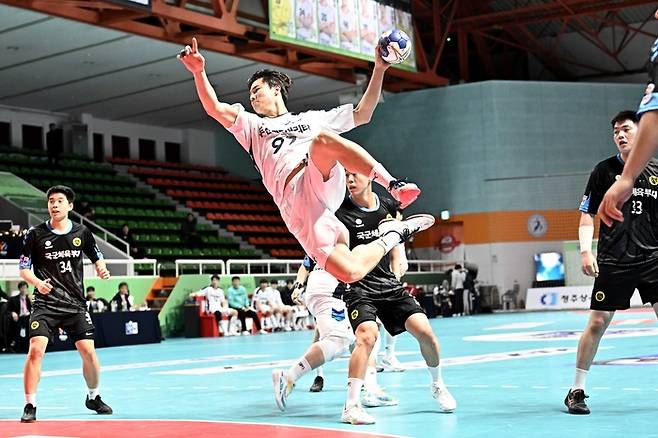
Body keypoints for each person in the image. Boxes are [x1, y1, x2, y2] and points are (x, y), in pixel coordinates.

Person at [178, 38, 434, 286]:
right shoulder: (251, 126)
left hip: (316, 175)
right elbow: (214, 108)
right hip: (295, 203)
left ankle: (393, 184)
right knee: (350, 271)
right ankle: (393, 235)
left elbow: (362, 114)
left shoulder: (312, 119)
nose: (252, 98)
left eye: (257, 90)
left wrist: (379, 69)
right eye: (250, 94)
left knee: (323, 141)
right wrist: (199, 72)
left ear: (276, 88)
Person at [336, 171, 456, 424]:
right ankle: (351, 406)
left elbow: (396, 241)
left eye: (354, 174)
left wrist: (399, 259)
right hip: (359, 286)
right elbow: (348, 255)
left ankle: (437, 385)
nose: (349, 179)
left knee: (426, 334)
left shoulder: (388, 205)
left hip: (388, 284)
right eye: (345, 175)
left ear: (370, 177)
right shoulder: (340, 213)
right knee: (367, 337)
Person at [564, 110, 658, 415]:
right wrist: (584, 251)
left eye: (626, 129)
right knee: (597, 323)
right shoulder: (603, 171)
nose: (620, 134)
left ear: (640, 131)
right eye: (616, 131)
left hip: (653, 259)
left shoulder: (656, 168)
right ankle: (576, 390)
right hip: (614, 261)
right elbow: (586, 216)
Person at [18, 185, 112, 422]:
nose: (54, 205)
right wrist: (38, 283)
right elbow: (23, 269)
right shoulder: (35, 234)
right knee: (36, 350)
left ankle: (94, 396)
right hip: (45, 303)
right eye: (51, 201)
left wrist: (101, 268)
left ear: (70, 206)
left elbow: (96, 256)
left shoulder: (82, 232)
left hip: (75, 304)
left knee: (88, 352)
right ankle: (30, 404)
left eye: (60, 201)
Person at [272, 255, 397, 412]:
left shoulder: (321, 236)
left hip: (327, 288)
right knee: (339, 341)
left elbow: (306, 263)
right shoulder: (345, 233)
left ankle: (371, 388)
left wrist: (298, 285)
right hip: (331, 289)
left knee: (364, 333)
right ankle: (289, 377)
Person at [598, 8, 658, 224]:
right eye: (616, 132)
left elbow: (655, 114)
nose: (656, 15)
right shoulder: (602, 170)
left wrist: (627, 177)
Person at [6, 281, 32, 353]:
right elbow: (8, 310)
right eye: (22, 288)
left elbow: (33, 309)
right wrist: (13, 313)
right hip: (19, 317)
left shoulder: (29, 298)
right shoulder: (13, 299)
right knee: (17, 329)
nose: (24, 289)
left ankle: (29, 347)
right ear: (19, 289)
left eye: (25, 288)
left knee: (31, 328)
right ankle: (17, 347)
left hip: (28, 317)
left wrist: (31, 300)